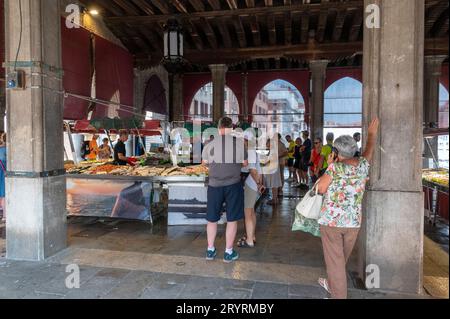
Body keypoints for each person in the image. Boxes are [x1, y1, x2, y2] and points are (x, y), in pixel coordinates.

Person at [317, 118, 380, 299]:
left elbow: (321, 189)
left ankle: (338, 294)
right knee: (339, 259)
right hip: (353, 222)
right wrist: (371, 134)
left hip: (331, 222)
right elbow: (368, 152)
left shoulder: (334, 168)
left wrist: (330, 165)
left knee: (335, 261)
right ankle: (331, 282)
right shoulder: (362, 166)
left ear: (336, 152)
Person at [202, 117, 247, 263]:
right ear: (231, 128)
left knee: (212, 219)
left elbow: (205, 164)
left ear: (218, 127)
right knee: (232, 218)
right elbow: (245, 163)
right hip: (233, 185)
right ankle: (228, 252)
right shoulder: (239, 144)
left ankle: (210, 250)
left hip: (214, 186)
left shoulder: (210, 144)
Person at [238, 131, 264, 248]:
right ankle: (252, 236)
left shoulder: (250, 152)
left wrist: (259, 184)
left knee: (247, 212)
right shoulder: (252, 151)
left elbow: (253, 171)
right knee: (252, 212)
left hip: (252, 185)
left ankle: (249, 241)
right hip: (254, 184)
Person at [264, 138, 283, 206]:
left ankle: (274, 199)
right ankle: (275, 199)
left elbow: (270, 160)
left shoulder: (273, 151)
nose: (266, 144)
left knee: (274, 184)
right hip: (273, 169)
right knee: (274, 184)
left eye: (268, 143)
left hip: (273, 170)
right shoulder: (272, 150)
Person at [0, 132, 6, 221]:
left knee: (3, 195)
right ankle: (5, 215)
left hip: (2, 173)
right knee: (4, 194)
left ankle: (4, 214)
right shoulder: (8, 150)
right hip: (5, 174)